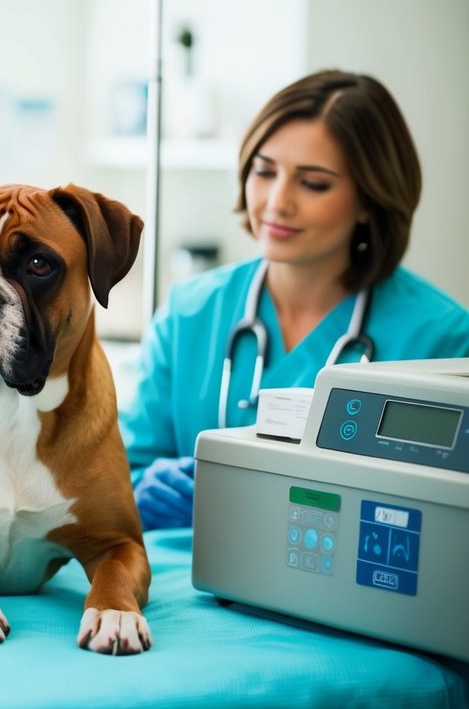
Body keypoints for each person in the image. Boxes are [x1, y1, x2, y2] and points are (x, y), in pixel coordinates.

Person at [122, 70, 469, 530]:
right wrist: (143, 489)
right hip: (184, 584)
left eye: (314, 183)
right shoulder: (190, 312)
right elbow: (120, 474)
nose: (276, 202)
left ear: (370, 198)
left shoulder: (441, 339)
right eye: (264, 172)